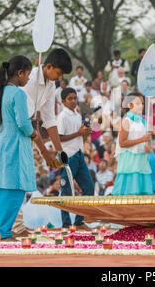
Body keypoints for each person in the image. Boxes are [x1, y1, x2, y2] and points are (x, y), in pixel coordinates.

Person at [0, 56, 39, 241]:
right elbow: (23, 123)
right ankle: (5, 232)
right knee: (16, 189)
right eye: (28, 74)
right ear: (20, 73)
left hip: (3, 140)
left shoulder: (2, 91)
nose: (29, 79)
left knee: (3, 188)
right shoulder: (18, 94)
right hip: (15, 143)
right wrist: (33, 131)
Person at [57, 87, 94, 229]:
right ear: (63, 101)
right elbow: (59, 138)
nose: (73, 101)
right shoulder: (62, 116)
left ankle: (79, 221)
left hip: (78, 154)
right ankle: (66, 224)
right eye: (70, 99)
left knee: (89, 187)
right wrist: (79, 133)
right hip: (68, 157)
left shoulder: (77, 115)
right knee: (66, 190)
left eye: (75, 98)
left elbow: (79, 134)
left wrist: (85, 132)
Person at [111, 92, 153, 195]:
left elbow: (146, 141)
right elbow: (122, 143)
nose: (141, 106)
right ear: (130, 105)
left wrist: (148, 147)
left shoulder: (143, 122)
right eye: (138, 103)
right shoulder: (126, 121)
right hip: (129, 162)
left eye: (142, 103)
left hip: (141, 161)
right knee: (129, 192)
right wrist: (142, 140)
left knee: (142, 193)